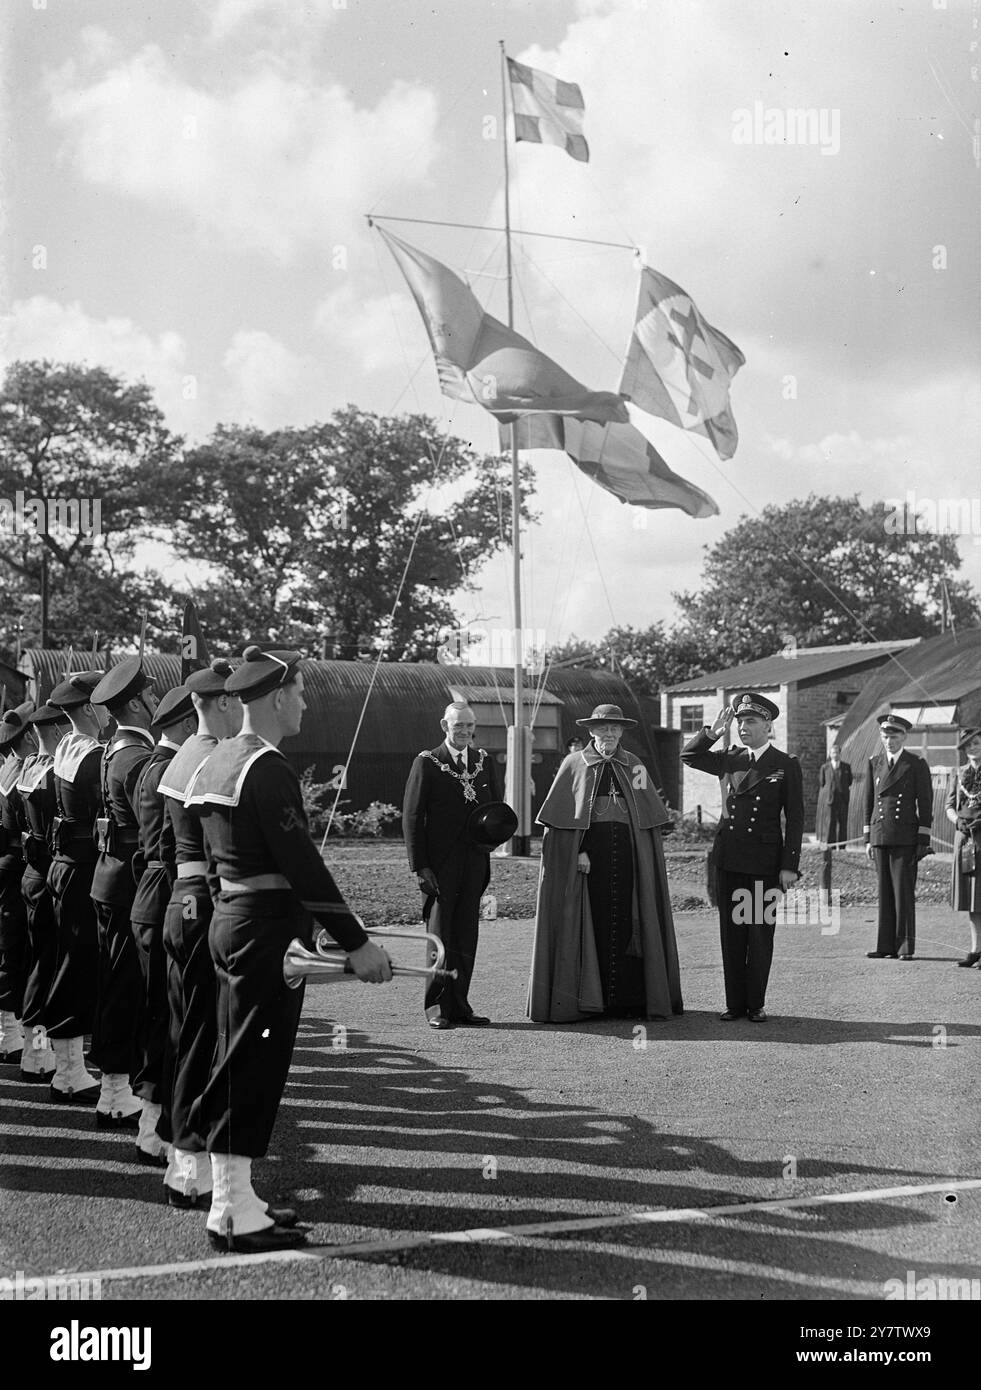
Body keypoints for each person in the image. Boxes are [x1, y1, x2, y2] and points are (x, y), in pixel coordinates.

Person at [185, 645, 392, 1253]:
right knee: (252, 1062)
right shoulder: (267, 767)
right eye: (300, 692)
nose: (304, 703)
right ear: (277, 697)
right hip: (266, 929)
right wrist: (356, 944)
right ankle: (229, 1210)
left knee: (238, 1055)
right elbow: (302, 863)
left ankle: (239, 1198)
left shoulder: (219, 760)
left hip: (232, 918)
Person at [528, 704, 683, 1023]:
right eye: (603, 728)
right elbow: (561, 825)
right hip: (589, 863)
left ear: (622, 732)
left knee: (630, 922)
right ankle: (590, 1001)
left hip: (629, 860)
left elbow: (648, 817)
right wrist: (579, 852)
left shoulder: (634, 765)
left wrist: (643, 858)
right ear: (592, 731)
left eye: (615, 728)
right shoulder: (574, 764)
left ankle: (628, 1000)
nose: (609, 734)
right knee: (591, 923)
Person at [156, 659, 240, 1210]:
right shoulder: (212, 757)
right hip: (204, 903)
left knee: (185, 1030)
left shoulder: (182, 754)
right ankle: (189, 1163)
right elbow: (218, 851)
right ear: (223, 704)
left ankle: (179, 1155)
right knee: (203, 1037)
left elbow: (163, 843)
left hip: (177, 902)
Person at [682, 692, 803, 1023]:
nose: (743, 727)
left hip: (764, 862)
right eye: (739, 721)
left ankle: (756, 1004)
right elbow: (688, 756)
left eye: (750, 721)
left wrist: (789, 867)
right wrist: (711, 734)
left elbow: (795, 819)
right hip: (731, 858)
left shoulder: (785, 763)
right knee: (732, 933)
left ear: (768, 726)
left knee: (759, 935)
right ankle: (734, 1004)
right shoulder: (729, 758)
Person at [402, 701, 505, 1030]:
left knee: (466, 935)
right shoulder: (427, 762)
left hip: (474, 862)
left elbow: (496, 811)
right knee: (440, 936)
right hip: (439, 866)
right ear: (444, 725)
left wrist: (492, 844)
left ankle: (460, 1005)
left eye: (468, 726)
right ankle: (436, 1007)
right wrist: (421, 867)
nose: (463, 731)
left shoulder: (484, 761)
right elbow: (413, 817)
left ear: (474, 728)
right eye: (457, 725)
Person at [128, 683, 197, 1166]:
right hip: (171, 893)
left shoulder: (148, 765)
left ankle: (150, 1124)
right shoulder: (174, 768)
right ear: (187, 725)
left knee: (155, 1015)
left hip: (147, 894)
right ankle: (155, 1129)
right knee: (167, 1019)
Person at [89, 656, 158, 1129]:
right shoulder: (135, 758)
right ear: (134, 702)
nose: (156, 701)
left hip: (111, 878)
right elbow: (151, 830)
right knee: (126, 988)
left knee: (119, 984)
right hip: (128, 885)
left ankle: (117, 1087)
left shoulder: (116, 750)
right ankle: (116, 1091)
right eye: (151, 695)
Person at [44, 670, 106, 1103]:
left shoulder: (66, 745)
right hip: (85, 868)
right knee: (78, 964)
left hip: (63, 863)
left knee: (67, 960)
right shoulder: (96, 754)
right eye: (104, 700)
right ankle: (69, 1072)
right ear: (88, 708)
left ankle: (69, 1066)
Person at [17, 702, 67, 1082]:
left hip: (32, 870)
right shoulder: (52, 770)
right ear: (54, 731)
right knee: (48, 965)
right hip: (48, 872)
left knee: (39, 963)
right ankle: (37, 1052)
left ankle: (35, 1051)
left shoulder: (30, 767)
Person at [864, 712, 933, 961]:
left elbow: (925, 803)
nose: (889, 740)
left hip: (905, 836)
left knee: (903, 893)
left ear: (904, 737)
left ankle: (904, 947)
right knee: (884, 894)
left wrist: (923, 839)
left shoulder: (915, 764)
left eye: (894, 736)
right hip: (881, 834)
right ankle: (885, 946)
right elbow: (869, 800)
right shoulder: (875, 762)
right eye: (885, 735)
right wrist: (867, 837)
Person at [0, 703, 37, 1067]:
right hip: (18, 867)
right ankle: (17, 1039)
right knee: (19, 954)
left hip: (8, 866)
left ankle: (10, 1035)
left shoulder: (7, 768)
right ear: (28, 736)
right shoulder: (22, 772)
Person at [945, 728, 981, 968]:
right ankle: (975, 950)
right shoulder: (958, 773)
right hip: (965, 840)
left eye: (977, 743)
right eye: (969, 745)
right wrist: (955, 819)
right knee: (972, 899)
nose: (973, 748)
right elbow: (949, 805)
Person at [816, 744, 853, 849]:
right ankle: (831, 846)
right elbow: (822, 782)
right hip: (830, 800)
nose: (835, 755)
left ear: (840, 754)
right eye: (833, 753)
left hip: (843, 800)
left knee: (843, 824)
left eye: (837, 753)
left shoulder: (846, 767)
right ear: (830, 754)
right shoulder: (825, 768)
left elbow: (849, 782)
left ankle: (842, 847)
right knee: (830, 824)